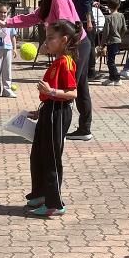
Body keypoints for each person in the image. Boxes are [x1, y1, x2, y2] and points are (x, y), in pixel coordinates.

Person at [5, 0, 94, 141]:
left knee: (68, 88)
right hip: (75, 45)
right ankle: (83, 129)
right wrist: (7, 23)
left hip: (76, 46)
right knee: (79, 87)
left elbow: (66, 26)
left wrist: (50, 44)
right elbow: (34, 17)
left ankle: (57, 129)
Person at [25, 20, 81, 218]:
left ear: (64, 40)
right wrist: (41, 110)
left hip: (58, 112)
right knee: (38, 155)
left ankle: (54, 203)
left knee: (51, 157)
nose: (46, 42)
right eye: (46, 37)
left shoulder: (66, 62)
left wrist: (52, 92)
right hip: (50, 110)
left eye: (50, 38)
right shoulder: (58, 61)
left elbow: (73, 93)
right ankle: (40, 194)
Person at [73, 0, 101, 75]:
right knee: (90, 44)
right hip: (86, 19)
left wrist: (92, 2)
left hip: (77, 18)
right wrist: (89, 20)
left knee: (79, 45)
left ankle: (79, 70)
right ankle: (91, 71)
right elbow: (87, 2)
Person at [100, 0, 127, 86]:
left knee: (110, 61)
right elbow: (124, 28)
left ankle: (117, 78)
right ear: (118, 6)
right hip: (118, 40)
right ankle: (111, 78)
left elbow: (106, 32)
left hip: (111, 41)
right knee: (112, 60)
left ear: (108, 6)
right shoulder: (121, 16)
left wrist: (102, 43)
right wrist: (120, 36)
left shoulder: (108, 18)